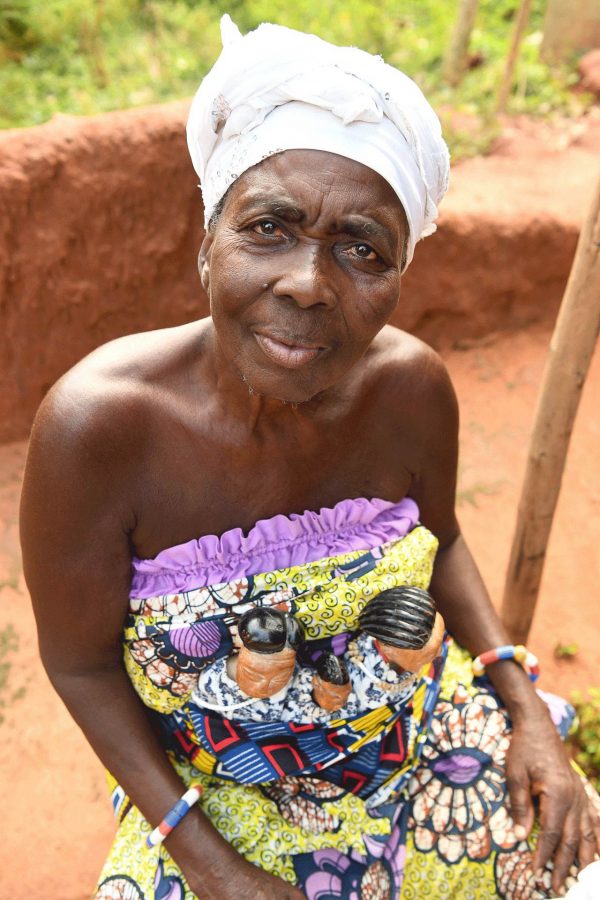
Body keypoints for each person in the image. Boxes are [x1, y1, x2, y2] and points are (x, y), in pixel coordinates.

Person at [19, 15, 600, 900]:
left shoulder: (409, 390)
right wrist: (212, 868)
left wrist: (524, 711)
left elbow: (439, 539)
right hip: (213, 805)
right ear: (206, 245)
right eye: (269, 229)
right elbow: (81, 665)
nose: (308, 282)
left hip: (420, 751)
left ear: (402, 274)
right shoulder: (99, 430)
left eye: (362, 249)